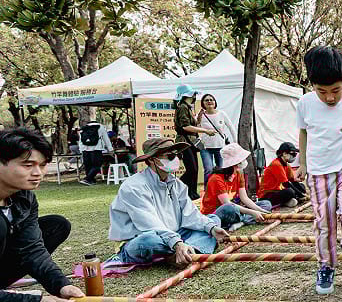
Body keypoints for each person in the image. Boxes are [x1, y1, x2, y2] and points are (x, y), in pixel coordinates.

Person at [296, 46, 342, 295]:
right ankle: (326, 265)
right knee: (325, 222)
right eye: (322, 92)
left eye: (335, 90)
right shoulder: (305, 103)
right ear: (313, 87)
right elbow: (304, 133)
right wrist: (303, 163)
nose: (329, 97)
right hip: (318, 172)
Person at [0, 127, 84, 302]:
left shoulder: (24, 197)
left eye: (43, 165)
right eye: (28, 165)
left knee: (56, 226)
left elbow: (32, 249)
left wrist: (61, 285)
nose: (37, 173)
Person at [107, 138, 229, 268]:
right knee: (148, 241)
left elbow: (191, 214)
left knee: (212, 220)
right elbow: (149, 223)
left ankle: (183, 253)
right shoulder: (133, 187)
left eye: (177, 155)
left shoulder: (177, 184)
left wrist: (211, 228)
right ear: (151, 160)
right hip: (142, 237)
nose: (175, 159)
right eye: (170, 156)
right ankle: (185, 251)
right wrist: (176, 242)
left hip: (175, 234)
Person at [201, 143, 272, 230]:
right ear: (235, 162)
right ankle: (244, 220)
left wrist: (259, 210)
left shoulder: (238, 174)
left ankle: (241, 221)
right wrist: (252, 212)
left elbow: (244, 198)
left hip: (235, 209)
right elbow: (227, 204)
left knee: (266, 204)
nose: (244, 160)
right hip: (215, 214)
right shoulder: (216, 179)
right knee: (229, 208)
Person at [173, 84, 216, 200]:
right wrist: (205, 131)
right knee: (192, 169)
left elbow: (194, 124)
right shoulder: (182, 107)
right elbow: (186, 127)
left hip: (191, 141)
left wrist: (200, 116)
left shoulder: (188, 107)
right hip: (185, 142)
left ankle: (192, 193)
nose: (195, 95)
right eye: (193, 93)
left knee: (194, 169)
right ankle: (175, 188)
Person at [196, 93, 236, 188]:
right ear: (203, 103)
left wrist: (235, 142)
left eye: (211, 99)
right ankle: (208, 190)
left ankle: (222, 189)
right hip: (205, 147)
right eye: (207, 100)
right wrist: (198, 118)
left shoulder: (221, 114)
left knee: (222, 169)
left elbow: (231, 127)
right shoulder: (201, 115)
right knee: (208, 169)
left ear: (215, 102)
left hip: (220, 147)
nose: (209, 101)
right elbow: (195, 127)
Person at [257, 142, 307, 207]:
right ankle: (288, 200)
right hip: (266, 194)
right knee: (289, 191)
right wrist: (301, 195)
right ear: (284, 154)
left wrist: (302, 192)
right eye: (293, 154)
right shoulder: (276, 164)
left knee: (301, 186)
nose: (294, 156)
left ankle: (289, 200)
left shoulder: (286, 165)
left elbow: (292, 181)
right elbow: (286, 184)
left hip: (277, 191)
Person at [78, 118, 114, 185]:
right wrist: (110, 149)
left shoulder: (84, 128)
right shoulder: (100, 127)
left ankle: (91, 180)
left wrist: (81, 150)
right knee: (97, 165)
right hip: (96, 149)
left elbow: (81, 140)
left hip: (85, 149)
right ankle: (87, 179)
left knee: (88, 165)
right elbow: (106, 138)